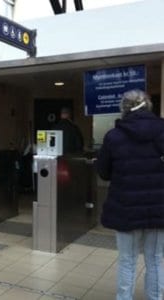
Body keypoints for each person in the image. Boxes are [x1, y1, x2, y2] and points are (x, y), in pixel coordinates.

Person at [96, 89, 164, 300]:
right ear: (148, 106)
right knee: (155, 259)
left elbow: (104, 172)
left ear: (124, 109)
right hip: (159, 207)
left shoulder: (113, 136)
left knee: (127, 260)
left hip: (125, 207)